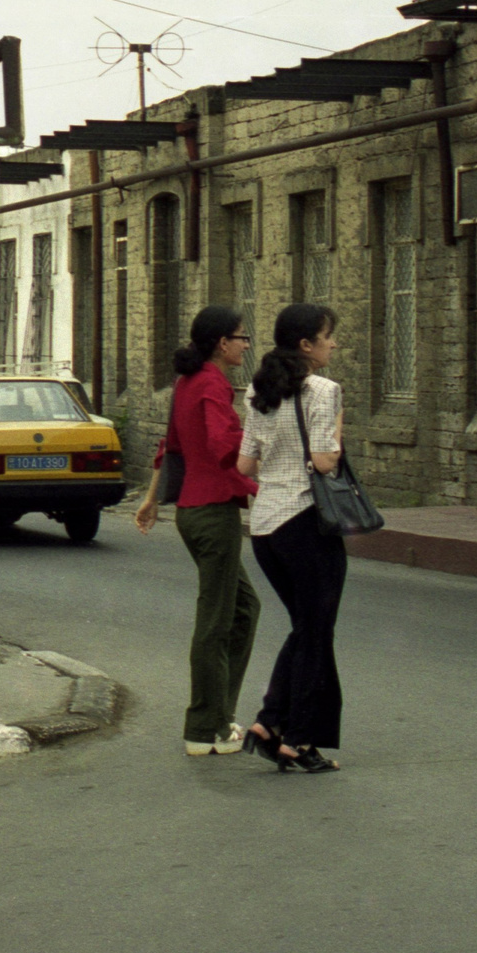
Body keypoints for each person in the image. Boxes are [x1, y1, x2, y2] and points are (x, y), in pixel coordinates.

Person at [134, 305, 259, 757]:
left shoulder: (188, 383)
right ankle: (206, 727)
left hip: (193, 511)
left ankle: (218, 718)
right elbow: (222, 446)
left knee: (242, 610)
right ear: (222, 343)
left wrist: (151, 499)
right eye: (242, 337)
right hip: (212, 512)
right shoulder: (211, 384)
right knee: (216, 621)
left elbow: (172, 448)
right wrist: (258, 482)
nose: (247, 345)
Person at [235, 302, 347, 774]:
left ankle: (270, 724)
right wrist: (338, 434)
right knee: (315, 630)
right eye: (328, 336)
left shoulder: (257, 390)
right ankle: (295, 740)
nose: (333, 343)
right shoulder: (323, 390)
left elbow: (245, 466)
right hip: (305, 521)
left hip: (265, 527)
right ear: (306, 345)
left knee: (307, 627)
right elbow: (325, 462)